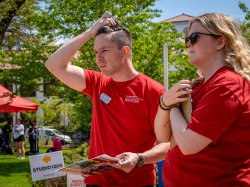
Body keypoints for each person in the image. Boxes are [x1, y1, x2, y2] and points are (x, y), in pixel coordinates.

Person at [45, 11, 169, 186]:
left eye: (104, 51)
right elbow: (53, 64)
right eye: (96, 52)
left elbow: (167, 144)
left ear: (125, 51)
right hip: (97, 182)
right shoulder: (97, 82)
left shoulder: (153, 90)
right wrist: (90, 32)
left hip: (137, 182)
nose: (98, 58)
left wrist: (139, 158)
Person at [155, 13, 250, 186]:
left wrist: (173, 105)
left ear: (220, 42)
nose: (188, 43)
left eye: (194, 37)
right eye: (186, 39)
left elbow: (188, 144)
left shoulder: (228, 85)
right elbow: (163, 137)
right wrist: (165, 103)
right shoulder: (201, 85)